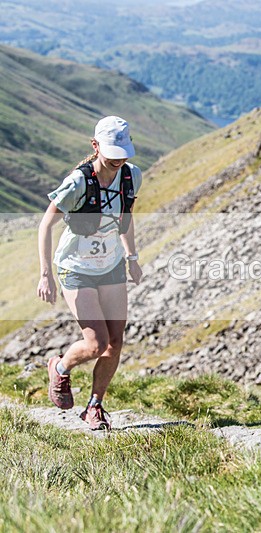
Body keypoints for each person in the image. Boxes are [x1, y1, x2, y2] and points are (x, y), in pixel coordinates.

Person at [37, 115, 143, 430]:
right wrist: (45, 274)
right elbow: (45, 224)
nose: (118, 161)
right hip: (76, 268)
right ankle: (60, 366)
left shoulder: (131, 176)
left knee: (116, 341)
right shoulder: (78, 182)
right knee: (95, 343)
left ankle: (95, 406)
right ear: (95, 147)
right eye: (111, 156)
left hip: (110, 265)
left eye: (122, 155)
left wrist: (131, 256)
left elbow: (125, 218)